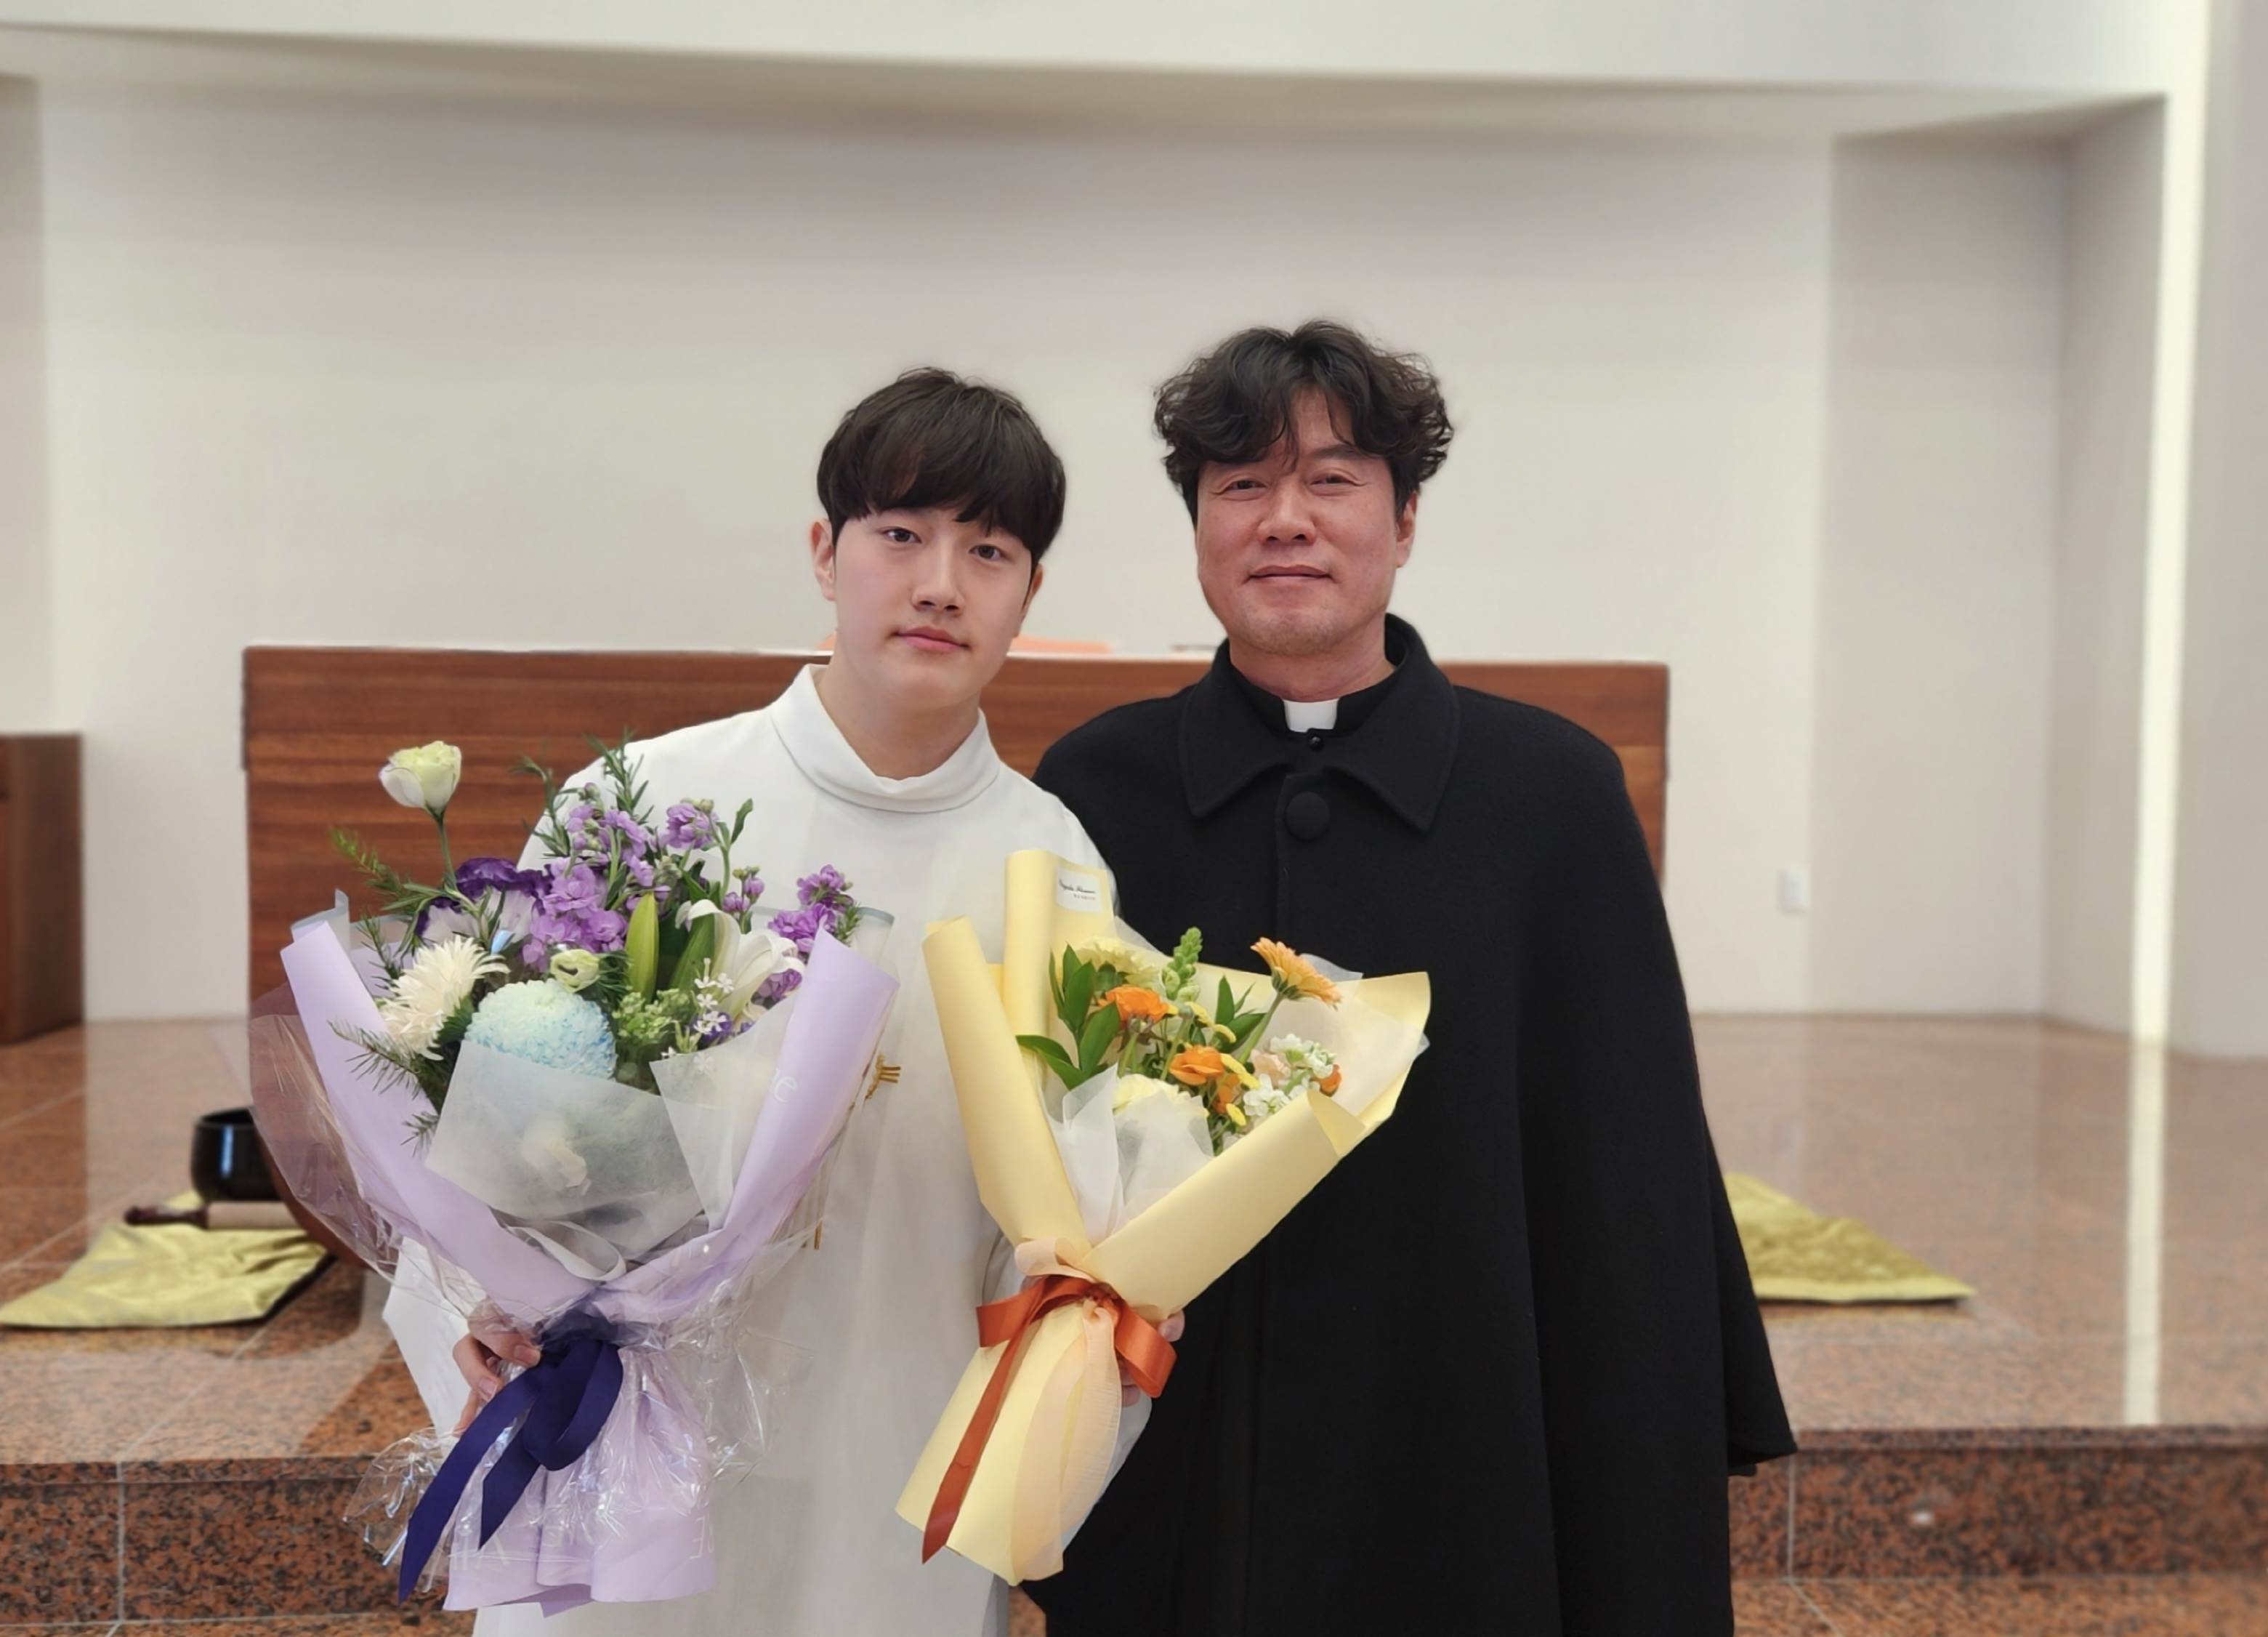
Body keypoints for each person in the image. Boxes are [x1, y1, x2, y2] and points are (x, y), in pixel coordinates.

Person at [1024, 321, 1794, 1636]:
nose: (1285, 520)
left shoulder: (1549, 793)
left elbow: (1629, 1163)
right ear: (1198, 525)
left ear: (1405, 519)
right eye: (1242, 486)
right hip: (1189, 1425)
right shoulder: (1100, 785)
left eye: (1330, 480)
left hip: (1470, 1411)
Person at [384, 368, 1161, 1636]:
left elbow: (1076, 1221)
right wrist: (481, 1305)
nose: (939, 583)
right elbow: (480, 1131)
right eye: (899, 534)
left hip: (893, 1442)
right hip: (626, 1438)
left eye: (989, 551)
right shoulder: (640, 802)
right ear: (823, 551)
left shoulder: (1056, 871)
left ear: (1029, 592)